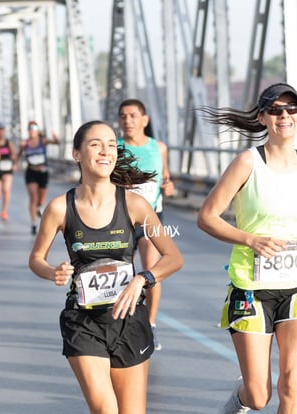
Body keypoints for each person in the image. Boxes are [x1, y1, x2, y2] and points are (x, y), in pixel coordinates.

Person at [196, 83, 297, 414]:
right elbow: (206, 217)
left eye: (291, 108)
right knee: (258, 395)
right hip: (251, 287)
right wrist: (251, 239)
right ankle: (241, 399)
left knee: (292, 384)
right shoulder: (247, 163)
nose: (284, 115)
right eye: (275, 110)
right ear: (262, 118)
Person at [28, 120, 183, 414]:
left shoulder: (135, 204)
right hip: (83, 321)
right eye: (95, 144)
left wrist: (143, 279)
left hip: (129, 320)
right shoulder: (60, 207)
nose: (106, 151)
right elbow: (36, 258)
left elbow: (173, 257)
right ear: (77, 154)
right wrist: (52, 272)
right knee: (105, 410)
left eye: (111, 144)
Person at [118, 99, 175, 351]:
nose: (127, 120)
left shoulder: (158, 148)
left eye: (132, 115)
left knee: (152, 269)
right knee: (121, 272)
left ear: (144, 120)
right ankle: (121, 322)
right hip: (120, 218)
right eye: (123, 116)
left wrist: (169, 186)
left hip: (151, 218)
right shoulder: (114, 148)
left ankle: (150, 324)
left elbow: (166, 178)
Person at [17, 120, 59, 235]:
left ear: (38, 130)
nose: (32, 131)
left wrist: (55, 137)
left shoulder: (43, 141)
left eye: (34, 128)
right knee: (33, 197)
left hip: (43, 172)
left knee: (41, 200)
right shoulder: (24, 143)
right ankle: (34, 223)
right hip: (31, 172)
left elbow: (57, 143)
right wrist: (15, 164)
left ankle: (39, 208)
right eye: (30, 129)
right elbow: (18, 155)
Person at [0, 122, 17, 220]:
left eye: (2, 130)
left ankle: (4, 211)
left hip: (7, 168)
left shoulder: (8, 142)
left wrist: (14, 164)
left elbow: (13, 154)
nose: (1, 132)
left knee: (6, 190)